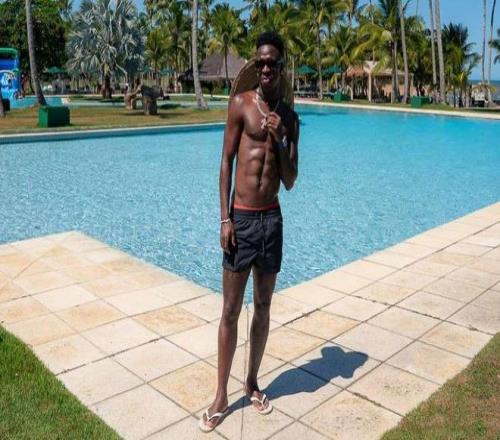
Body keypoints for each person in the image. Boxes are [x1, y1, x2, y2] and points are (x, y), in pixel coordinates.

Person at [199, 31, 299, 433]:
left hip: (271, 220)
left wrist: (280, 137)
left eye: (272, 62)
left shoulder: (290, 118)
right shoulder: (240, 104)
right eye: (261, 62)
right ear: (255, 65)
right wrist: (225, 219)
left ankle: (252, 382)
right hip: (241, 219)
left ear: (281, 66)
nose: (266, 68)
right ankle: (221, 396)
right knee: (229, 309)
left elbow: (290, 180)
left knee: (263, 306)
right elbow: (226, 161)